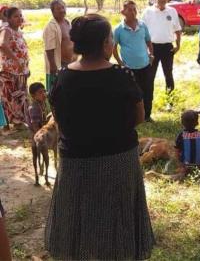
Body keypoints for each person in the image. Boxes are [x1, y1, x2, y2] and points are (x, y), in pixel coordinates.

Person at [45, 14, 154, 260]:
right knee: (118, 217)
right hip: (119, 160)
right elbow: (139, 116)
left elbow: (59, 119)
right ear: (106, 43)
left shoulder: (63, 77)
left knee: (79, 217)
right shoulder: (122, 76)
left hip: (76, 162)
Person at [113, 0, 155, 122]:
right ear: (123, 12)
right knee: (131, 93)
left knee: (148, 91)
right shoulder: (118, 29)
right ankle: (133, 117)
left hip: (145, 65)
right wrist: (121, 64)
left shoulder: (142, 25)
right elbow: (113, 48)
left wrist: (151, 55)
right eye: (130, 9)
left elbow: (148, 41)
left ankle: (147, 116)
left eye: (134, 9)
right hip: (129, 68)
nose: (133, 12)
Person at [142, 0, 182, 111]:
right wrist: (146, 49)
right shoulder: (147, 12)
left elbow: (178, 30)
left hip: (167, 48)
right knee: (150, 76)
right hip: (152, 48)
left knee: (168, 75)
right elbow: (142, 31)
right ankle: (148, 103)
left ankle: (170, 102)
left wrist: (178, 45)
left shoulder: (172, 11)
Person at [0, 7, 30, 128]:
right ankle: (12, 123)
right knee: (11, 97)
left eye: (20, 15)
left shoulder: (18, 32)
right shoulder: (7, 30)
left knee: (20, 96)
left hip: (21, 71)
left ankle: (19, 122)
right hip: (10, 71)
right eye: (16, 16)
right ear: (8, 18)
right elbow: (2, 44)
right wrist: (16, 60)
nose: (20, 18)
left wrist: (26, 67)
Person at [43, 0, 75, 91]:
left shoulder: (67, 22)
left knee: (69, 89)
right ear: (52, 11)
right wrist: (53, 65)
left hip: (71, 63)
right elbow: (49, 48)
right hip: (59, 64)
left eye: (63, 7)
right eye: (58, 8)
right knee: (57, 91)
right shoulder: (50, 26)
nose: (62, 10)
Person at [27, 82, 48, 185]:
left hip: (42, 132)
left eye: (44, 91)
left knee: (44, 156)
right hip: (37, 135)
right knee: (36, 155)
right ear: (33, 96)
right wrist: (42, 137)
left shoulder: (43, 103)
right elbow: (35, 128)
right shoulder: (33, 108)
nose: (44, 94)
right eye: (40, 92)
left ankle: (43, 172)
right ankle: (36, 177)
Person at [175, 110, 200, 174]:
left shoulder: (181, 135)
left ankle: (182, 166)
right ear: (197, 123)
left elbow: (177, 149)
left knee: (177, 151)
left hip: (185, 164)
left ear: (182, 123)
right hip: (199, 164)